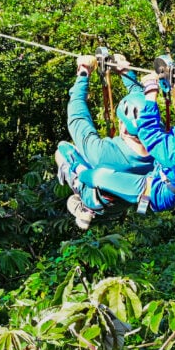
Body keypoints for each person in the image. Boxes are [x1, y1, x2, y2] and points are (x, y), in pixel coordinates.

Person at [64, 65, 175, 225]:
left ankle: (79, 186)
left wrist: (150, 92)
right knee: (103, 177)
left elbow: (149, 133)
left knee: (96, 175)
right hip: (167, 180)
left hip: (156, 190)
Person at [55, 54, 154, 229]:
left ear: (123, 127)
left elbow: (77, 117)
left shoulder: (101, 152)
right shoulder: (160, 147)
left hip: (97, 198)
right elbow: (142, 102)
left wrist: (83, 73)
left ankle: (84, 208)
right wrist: (124, 71)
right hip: (126, 198)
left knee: (62, 149)